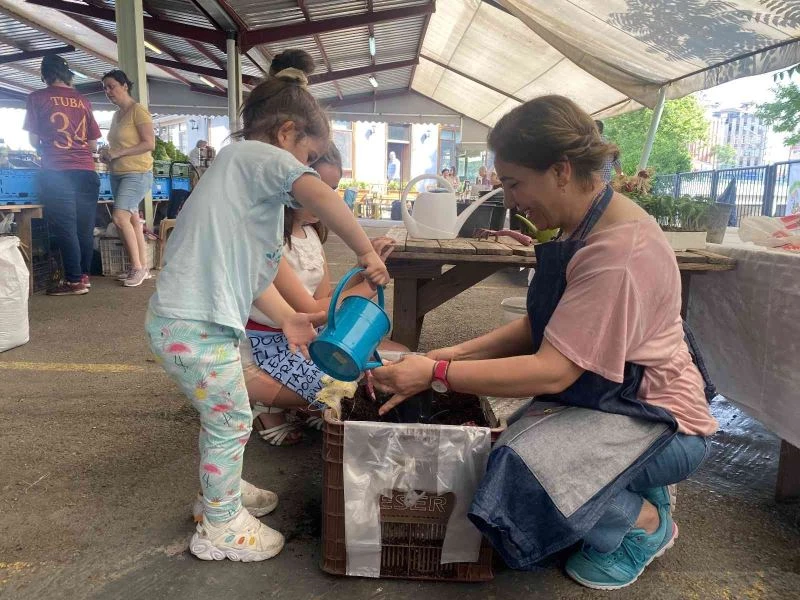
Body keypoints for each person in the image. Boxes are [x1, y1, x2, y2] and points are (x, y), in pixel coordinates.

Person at [373, 95, 717, 590]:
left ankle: (644, 526)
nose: (511, 200)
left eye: (514, 183)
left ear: (560, 170)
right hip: (613, 397)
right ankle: (630, 488)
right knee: (518, 437)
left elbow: (554, 369)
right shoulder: (586, 223)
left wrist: (436, 373)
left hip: (661, 420)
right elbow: (548, 326)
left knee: (521, 469)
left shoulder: (617, 253)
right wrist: (451, 354)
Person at [145, 67, 389, 564]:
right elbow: (319, 193)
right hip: (194, 326)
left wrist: (288, 319)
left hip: (192, 323)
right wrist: (366, 252)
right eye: (308, 156)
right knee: (232, 419)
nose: (306, 169)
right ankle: (220, 524)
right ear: (285, 134)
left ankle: (220, 492)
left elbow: (257, 276)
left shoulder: (244, 193)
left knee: (223, 415)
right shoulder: (253, 156)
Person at [242, 143, 401, 446]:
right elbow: (311, 308)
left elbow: (328, 294)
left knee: (369, 367)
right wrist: (368, 287)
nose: (328, 200)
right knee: (339, 385)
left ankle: (301, 405)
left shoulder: (311, 234)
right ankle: (269, 408)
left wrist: (363, 267)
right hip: (271, 342)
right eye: (319, 189)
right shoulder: (270, 242)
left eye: (333, 189)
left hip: (307, 335)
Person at [23, 54, 101, 295]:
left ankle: (74, 281)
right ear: (68, 75)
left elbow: (34, 139)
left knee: (66, 227)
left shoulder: (37, 97)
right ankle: (83, 276)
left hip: (57, 170)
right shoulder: (83, 100)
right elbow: (93, 144)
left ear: (45, 74)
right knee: (84, 227)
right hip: (86, 170)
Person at [101, 69, 155, 288]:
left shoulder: (138, 111)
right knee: (132, 220)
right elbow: (119, 145)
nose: (108, 91)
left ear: (125, 86)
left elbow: (149, 143)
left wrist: (118, 153)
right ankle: (142, 267)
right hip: (118, 174)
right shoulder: (116, 116)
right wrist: (108, 154)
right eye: (105, 88)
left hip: (137, 173)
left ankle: (137, 267)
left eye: (111, 86)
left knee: (119, 218)